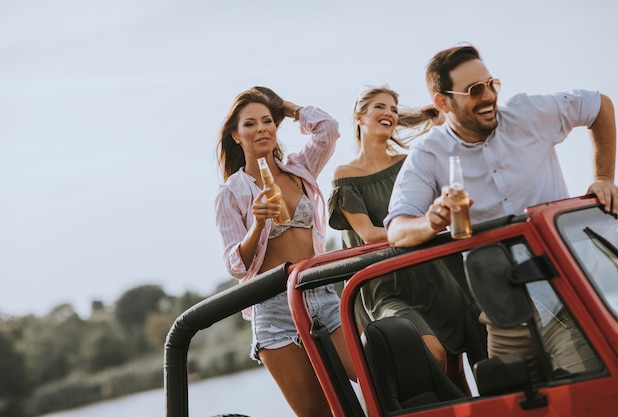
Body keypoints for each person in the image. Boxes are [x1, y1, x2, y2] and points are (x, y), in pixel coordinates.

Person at [385, 44, 616, 377]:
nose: (488, 95)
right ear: (442, 102)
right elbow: (397, 229)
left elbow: (599, 106)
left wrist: (604, 177)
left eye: (491, 84)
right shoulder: (428, 155)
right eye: (475, 90)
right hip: (503, 318)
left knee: (584, 399)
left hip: (570, 296)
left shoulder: (528, 113)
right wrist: (431, 221)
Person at [214, 86, 356, 417]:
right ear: (236, 135)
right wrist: (258, 225)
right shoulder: (231, 193)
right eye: (249, 124)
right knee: (315, 413)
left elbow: (328, 129)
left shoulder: (299, 169)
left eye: (267, 121)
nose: (261, 128)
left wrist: (286, 107)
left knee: (374, 378)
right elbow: (235, 265)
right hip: (274, 310)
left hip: (320, 294)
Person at [327, 85, 472, 392]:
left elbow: (446, 169)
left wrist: (434, 121)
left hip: (431, 272)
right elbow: (367, 235)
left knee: (456, 365)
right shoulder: (345, 174)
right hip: (386, 285)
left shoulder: (410, 162)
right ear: (359, 117)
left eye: (394, 109)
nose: (390, 113)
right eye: (381, 107)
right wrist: (425, 226)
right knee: (434, 356)